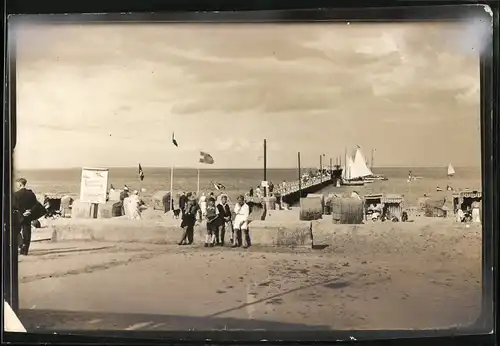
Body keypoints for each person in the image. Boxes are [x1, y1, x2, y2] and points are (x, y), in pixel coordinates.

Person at [13, 178, 39, 255]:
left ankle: (21, 245)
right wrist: (30, 211)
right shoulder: (31, 193)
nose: (16, 185)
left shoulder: (16, 194)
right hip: (29, 215)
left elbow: (15, 206)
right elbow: (36, 204)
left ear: (20, 184)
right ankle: (25, 250)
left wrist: (22, 212)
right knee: (27, 232)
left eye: (17, 184)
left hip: (19, 216)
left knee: (16, 231)